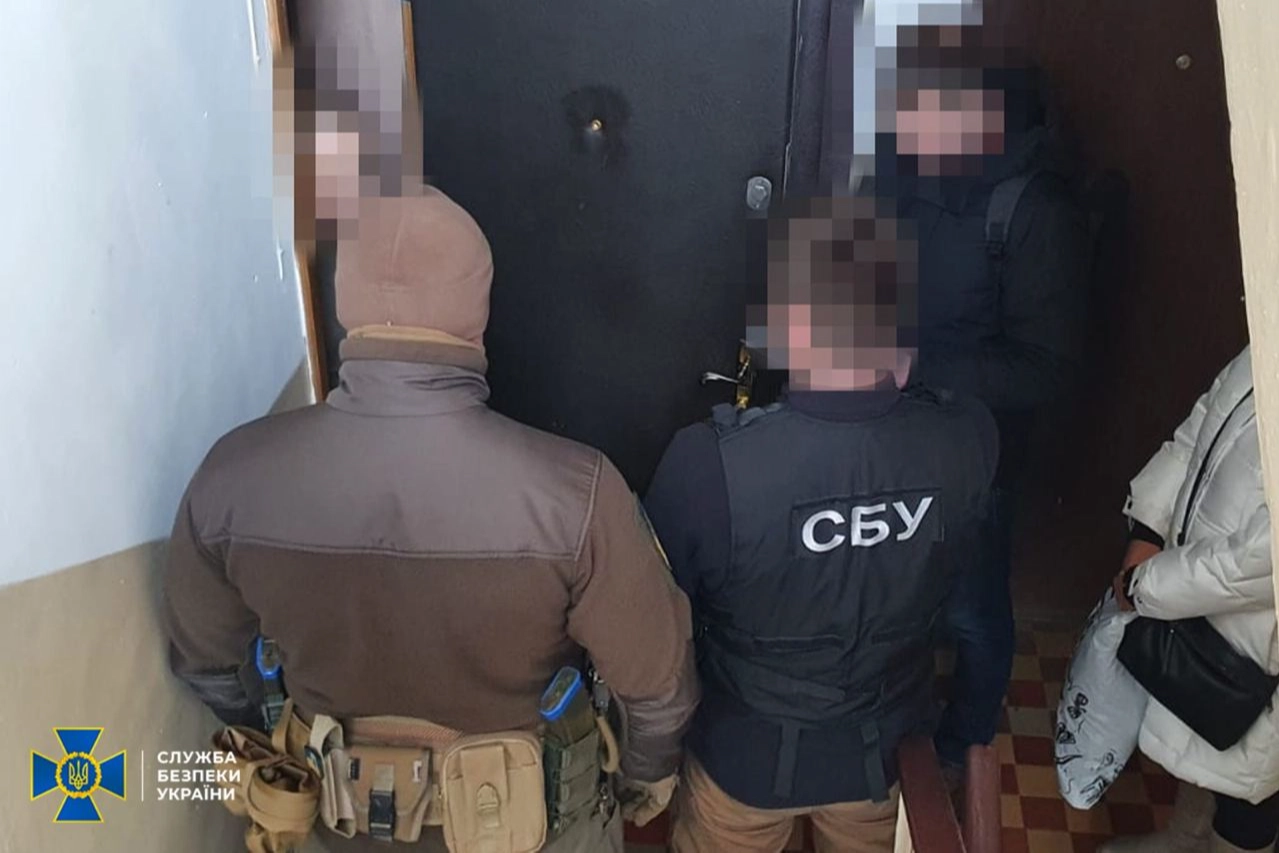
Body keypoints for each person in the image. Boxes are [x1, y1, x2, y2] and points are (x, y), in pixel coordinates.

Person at [162, 187, 698, 852]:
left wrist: (284, 735)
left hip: (336, 831)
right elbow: (659, 692)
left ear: (344, 303)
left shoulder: (231, 477)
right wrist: (641, 779)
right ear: (476, 314)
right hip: (533, 832)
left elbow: (206, 666)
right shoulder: (576, 492)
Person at [644, 196, 999, 852]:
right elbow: (965, 589)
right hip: (883, 760)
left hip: (742, 763)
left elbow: (658, 631)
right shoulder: (966, 439)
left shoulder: (707, 464)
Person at [883, 23, 1092, 773]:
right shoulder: (907, 173)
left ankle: (961, 751)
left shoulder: (1034, 211)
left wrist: (919, 366)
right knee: (894, 593)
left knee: (972, 611)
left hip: (977, 449)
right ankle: (896, 725)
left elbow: (1048, 369)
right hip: (894, 428)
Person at [1102, 345, 1278, 853]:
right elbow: (1197, 433)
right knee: (1202, 729)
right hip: (1194, 593)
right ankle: (1187, 838)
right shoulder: (1267, 334)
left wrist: (1147, 586)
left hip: (1259, 629)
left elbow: (1261, 557)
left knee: (1250, 787)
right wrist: (1148, 529)